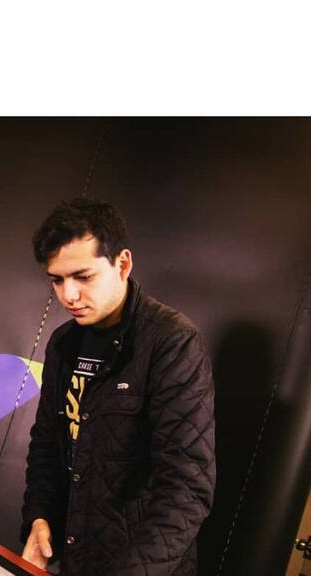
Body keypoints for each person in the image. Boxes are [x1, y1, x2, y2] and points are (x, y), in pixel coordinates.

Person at [21, 197, 215, 576]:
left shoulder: (172, 341)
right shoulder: (63, 343)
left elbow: (186, 490)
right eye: (57, 280)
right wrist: (39, 516)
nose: (68, 295)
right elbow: (47, 444)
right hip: (75, 561)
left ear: (122, 264)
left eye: (83, 277)